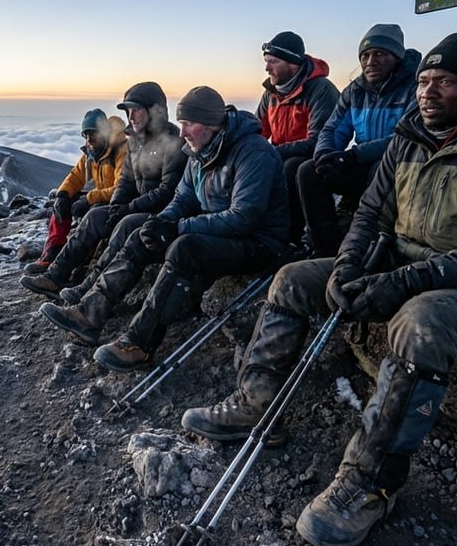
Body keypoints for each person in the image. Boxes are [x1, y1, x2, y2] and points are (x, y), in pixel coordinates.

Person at [180, 33, 457, 546]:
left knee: (420, 322)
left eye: (445, 82)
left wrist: (404, 283)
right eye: (425, 80)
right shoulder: (411, 136)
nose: (428, 91)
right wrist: (346, 267)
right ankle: (254, 403)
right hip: (399, 258)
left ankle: (370, 481)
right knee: (293, 279)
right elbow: (371, 214)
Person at [39, 86, 290, 372]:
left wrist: (178, 227)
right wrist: (163, 221)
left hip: (260, 242)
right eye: (181, 124)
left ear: (210, 123)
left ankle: (139, 344)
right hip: (222, 231)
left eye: (188, 125)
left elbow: (242, 218)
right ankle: (89, 313)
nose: (182, 133)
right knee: (143, 232)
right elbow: (183, 198)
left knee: (185, 248)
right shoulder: (200, 150)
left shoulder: (253, 153)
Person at [20, 81, 184, 299]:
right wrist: (116, 205)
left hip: (161, 213)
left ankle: (88, 288)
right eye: (128, 111)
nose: (131, 116)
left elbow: (167, 191)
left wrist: (127, 208)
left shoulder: (173, 142)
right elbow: (125, 180)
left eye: (137, 110)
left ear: (155, 111)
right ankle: (54, 276)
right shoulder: (135, 141)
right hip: (135, 206)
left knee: (124, 225)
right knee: (96, 216)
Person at [296, 24, 421, 258]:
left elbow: (404, 136)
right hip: (361, 161)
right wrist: (325, 154)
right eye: (364, 55)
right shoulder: (355, 90)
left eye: (379, 54)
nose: (370, 61)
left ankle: (371, 246)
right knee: (309, 171)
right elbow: (332, 128)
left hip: (401, 166)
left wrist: (353, 156)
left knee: (379, 171)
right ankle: (325, 248)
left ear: (396, 57)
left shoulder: (415, 87)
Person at [256, 31, 340, 246]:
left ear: (292, 63)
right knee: (252, 164)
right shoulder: (271, 93)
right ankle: (256, 229)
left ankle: (292, 238)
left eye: (273, 62)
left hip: (315, 158)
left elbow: (318, 141)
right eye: (266, 62)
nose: (267, 68)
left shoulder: (320, 90)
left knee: (291, 168)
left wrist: (272, 153)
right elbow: (257, 132)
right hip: (281, 154)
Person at [23, 108, 126, 276]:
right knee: (62, 205)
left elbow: (120, 189)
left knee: (91, 213)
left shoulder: (120, 150)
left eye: (92, 133)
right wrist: (62, 194)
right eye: (85, 135)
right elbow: (76, 176)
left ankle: (77, 261)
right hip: (101, 197)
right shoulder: (91, 153)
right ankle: (52, 252)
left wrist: (88, 199)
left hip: (117, 202)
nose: (89, 139)